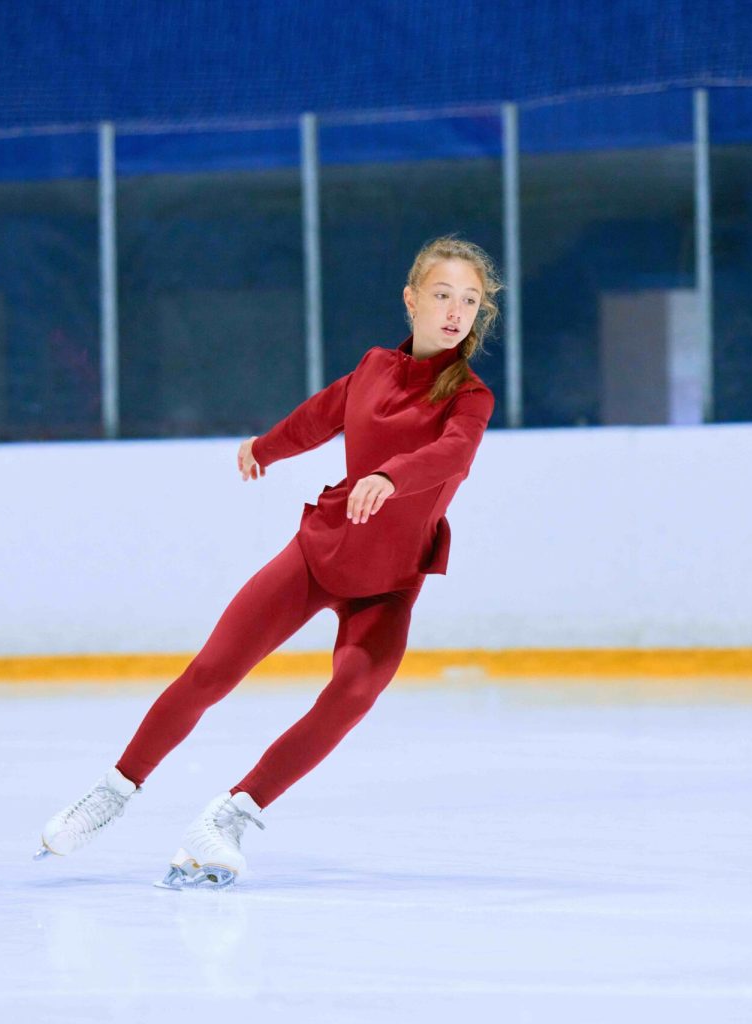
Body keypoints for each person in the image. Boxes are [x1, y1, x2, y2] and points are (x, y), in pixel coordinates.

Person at [35, 234, 501, 888]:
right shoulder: (373, 368)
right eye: (443, 295)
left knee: (354, 692)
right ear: (411, 299)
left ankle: (230, 815)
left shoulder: (470, 397)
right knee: (213, 672)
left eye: (470, 301)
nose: (456, 311)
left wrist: (392, 477)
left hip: (389, 585)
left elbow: (454, 455)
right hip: (320, 555)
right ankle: (115, 791)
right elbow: (322, 415)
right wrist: (267, 445)